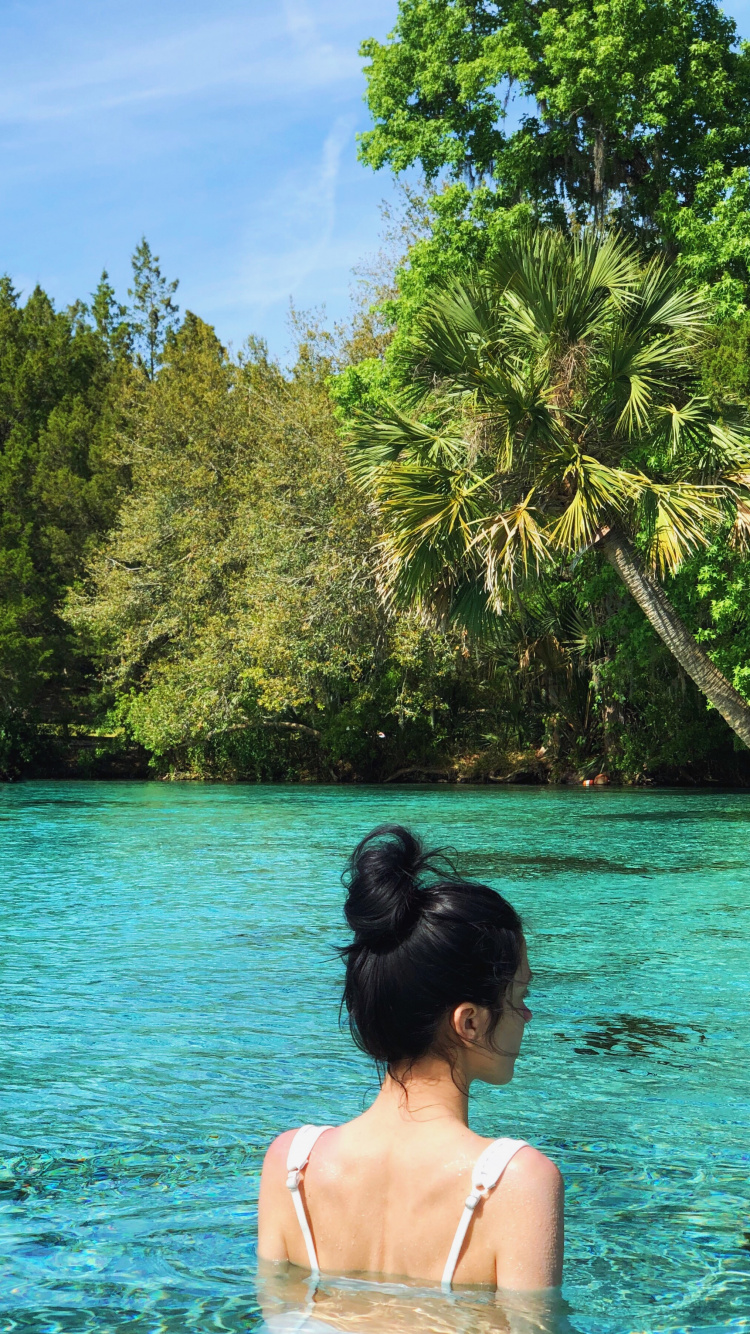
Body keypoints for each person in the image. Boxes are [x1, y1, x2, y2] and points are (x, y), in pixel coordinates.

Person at [258, 824, 563, 1294]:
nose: (527, 1014)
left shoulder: (290, 1165)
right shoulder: (516, 1183)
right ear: (469, 1023)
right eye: (520, 995)